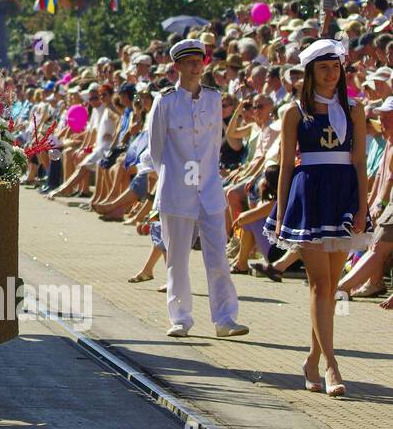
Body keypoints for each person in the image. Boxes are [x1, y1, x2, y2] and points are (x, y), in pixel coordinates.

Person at [265, 39, 367, 398]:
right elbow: (284, 168)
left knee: (331, 288)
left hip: (342, 195)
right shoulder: (294, 112)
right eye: (323, 67)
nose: (331, 73)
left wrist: (363, 207)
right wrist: (279, 214)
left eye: (336, 67)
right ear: (310, 72)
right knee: (320, 286)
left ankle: (311, 358)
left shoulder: (353, 109)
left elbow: (359, 163)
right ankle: (331, 365)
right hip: (308, 195)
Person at [147, 38, 248, 339]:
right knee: (177, 258)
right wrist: (172, 178)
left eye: (199, 60)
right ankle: (180, 318)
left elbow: (214, 142)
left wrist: (205, 176)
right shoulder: (164, 102)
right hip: (177, 189)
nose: (195, 66)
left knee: (217, 257)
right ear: (176, 66)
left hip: (209, 188)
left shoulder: (214, 99)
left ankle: (225, 318)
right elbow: (156, 150)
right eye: (189, 61)